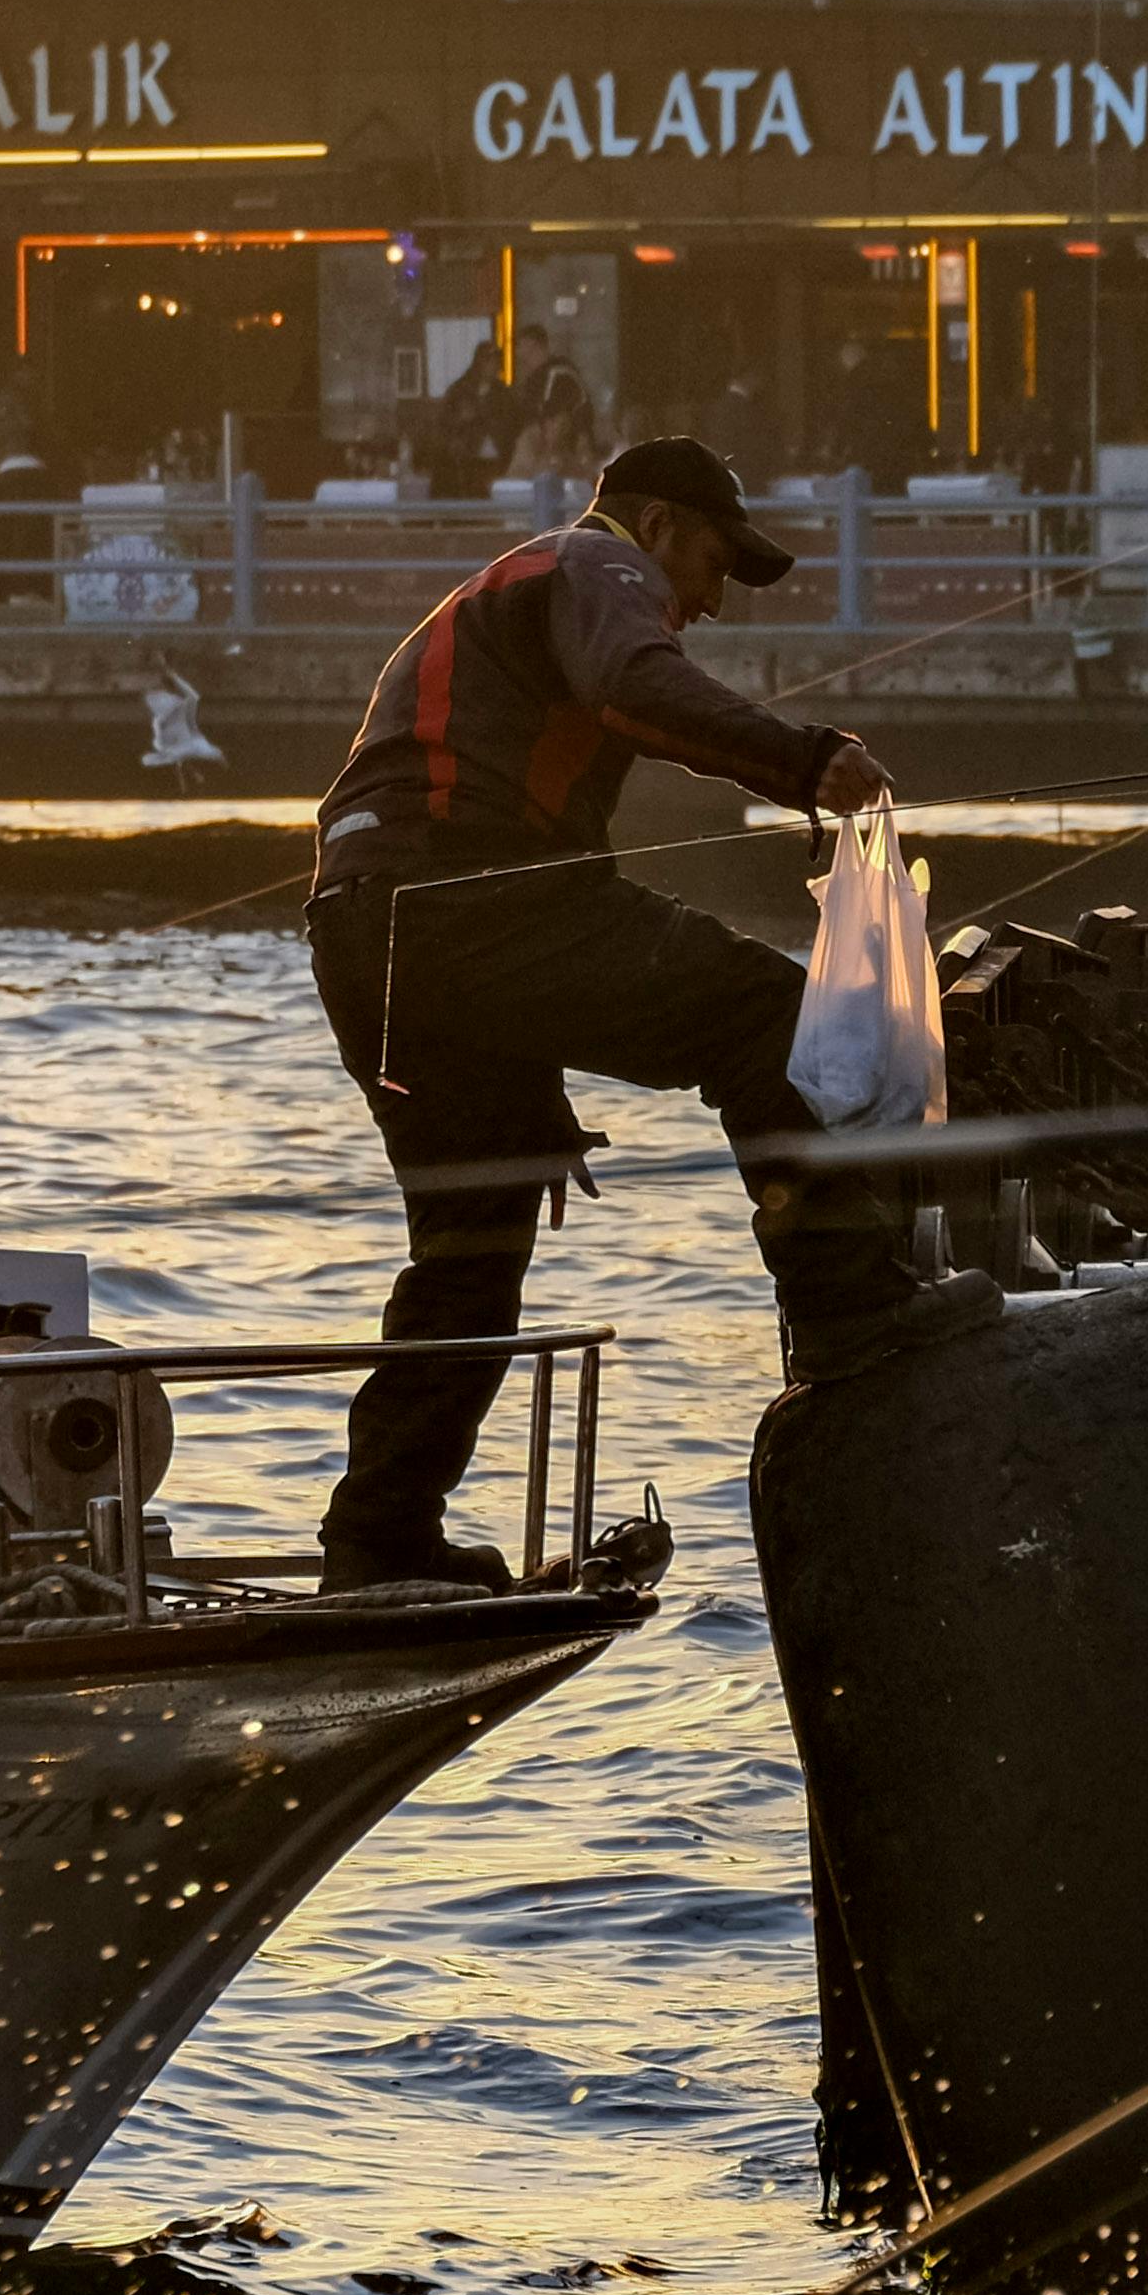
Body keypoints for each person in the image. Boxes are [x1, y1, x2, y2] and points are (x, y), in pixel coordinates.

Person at [304, 437, 963, 1587]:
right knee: (762, 1012)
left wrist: (530, 1089)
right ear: (655, 525)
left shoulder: (505, 592)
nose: (706, 600)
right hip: (467, 893)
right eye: (710, 564)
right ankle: (847, 1307)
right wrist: (807, 762)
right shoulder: (592, 565)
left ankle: (376, 1538)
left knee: (471, 1241)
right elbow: (639, 689)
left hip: (367, 929)